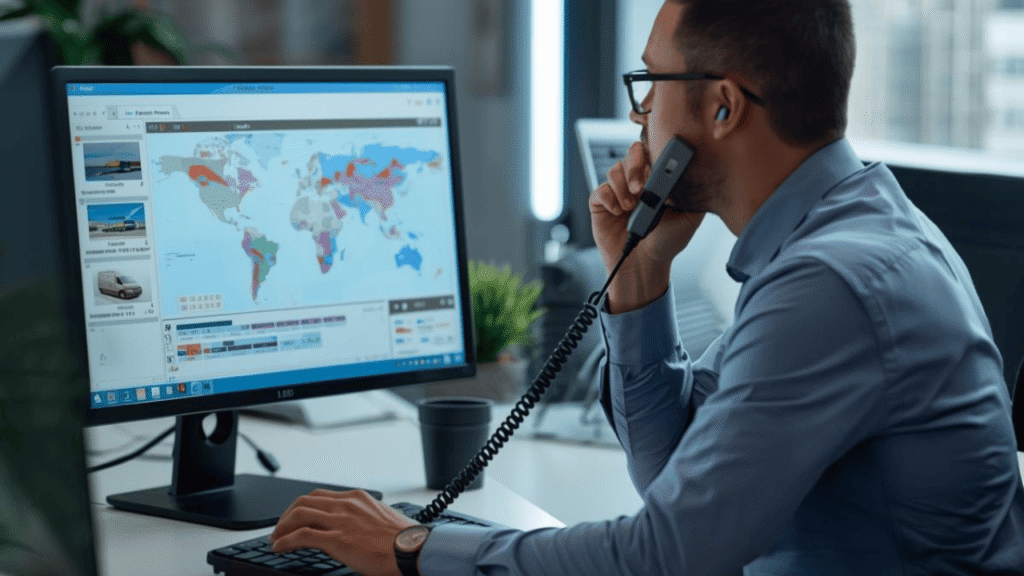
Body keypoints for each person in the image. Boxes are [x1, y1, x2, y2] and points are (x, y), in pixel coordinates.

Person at [268, 0, 1024, 574]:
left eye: (649, 84)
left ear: (723, 106)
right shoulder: (837, 235)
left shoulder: (828, 284)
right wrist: (638, 279)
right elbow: (674, 481)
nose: (640, 121)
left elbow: (667, 554)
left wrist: (411, 547)